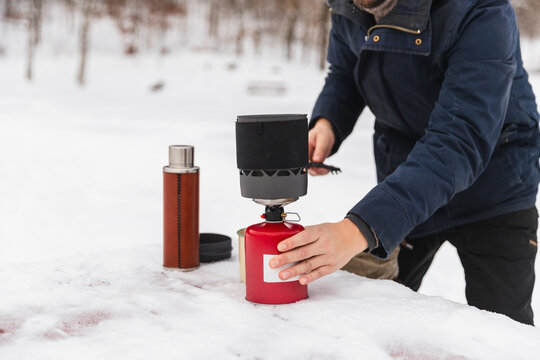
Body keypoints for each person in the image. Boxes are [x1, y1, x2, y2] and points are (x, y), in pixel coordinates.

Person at [269, 0, 540, 325]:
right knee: (368, 316)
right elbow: (345, 72)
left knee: (502, 334)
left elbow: (458, 140)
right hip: (407, 179)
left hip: (494, 188)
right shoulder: (347, 6)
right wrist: (328, 122)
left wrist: (357, 230)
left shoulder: (482, 10)